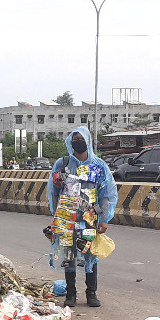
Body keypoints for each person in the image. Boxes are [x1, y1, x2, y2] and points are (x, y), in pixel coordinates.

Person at [46, 126, 117, 308]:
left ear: (88, 141)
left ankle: (91, 293)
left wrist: (104, 219)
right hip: (67, 219)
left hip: (89, 219)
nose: (78, 143)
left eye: (81, 139)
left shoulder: (99, 166)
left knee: (90, 254)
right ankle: (71, 293)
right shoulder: (62, 164)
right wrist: (56, 215)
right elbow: (53, 192)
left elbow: (106, 194)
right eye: (75, 139)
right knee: (69, 255)